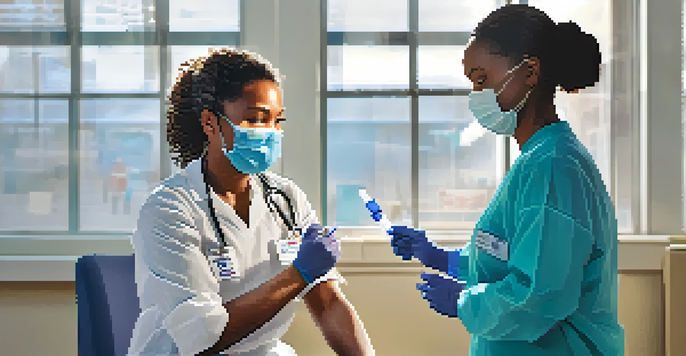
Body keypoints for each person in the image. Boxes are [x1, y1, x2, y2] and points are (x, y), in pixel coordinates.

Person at [387, 5, 624, 355]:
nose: (476, 95)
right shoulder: (536, 159)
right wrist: (438, 257)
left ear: (529, 71)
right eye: (471, 82)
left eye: (482, 79)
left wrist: (464, 304)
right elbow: (506, 259)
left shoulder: (554, 167)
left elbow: (542, 293)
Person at [128, 49, 374, 356]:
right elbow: (202, 337)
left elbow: (328, 303)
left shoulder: (287, 200)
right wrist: (298, 274)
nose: (270, 132)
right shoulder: (170, 209)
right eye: (256, 119)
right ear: (210, 123)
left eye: (277, 121)